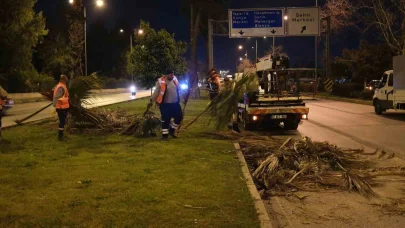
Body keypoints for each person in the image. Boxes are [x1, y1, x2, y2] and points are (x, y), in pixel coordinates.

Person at [150, 69, 183, 140]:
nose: (172, 76)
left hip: (175, 104)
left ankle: (172, 130)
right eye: (171, 75)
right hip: (165, 105)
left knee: (179, 117)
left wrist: (186, 93)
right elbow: (156, 92)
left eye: (173, 74)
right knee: (166, 119)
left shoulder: (174, 79)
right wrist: (152, 100)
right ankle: (165, 135)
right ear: (167, 75)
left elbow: (179, 89)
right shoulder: (161, 81)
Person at [53, 75, 70, 141]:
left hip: (63, 107)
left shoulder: (61, 86)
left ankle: (61, 135)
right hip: (61, 107)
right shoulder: (61, 87)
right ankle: (60, 137)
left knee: (63, 121)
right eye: (66, 80)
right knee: (62, 122)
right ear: (63, 80)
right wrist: (54, 105)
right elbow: (56, 97)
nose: (66, 82)